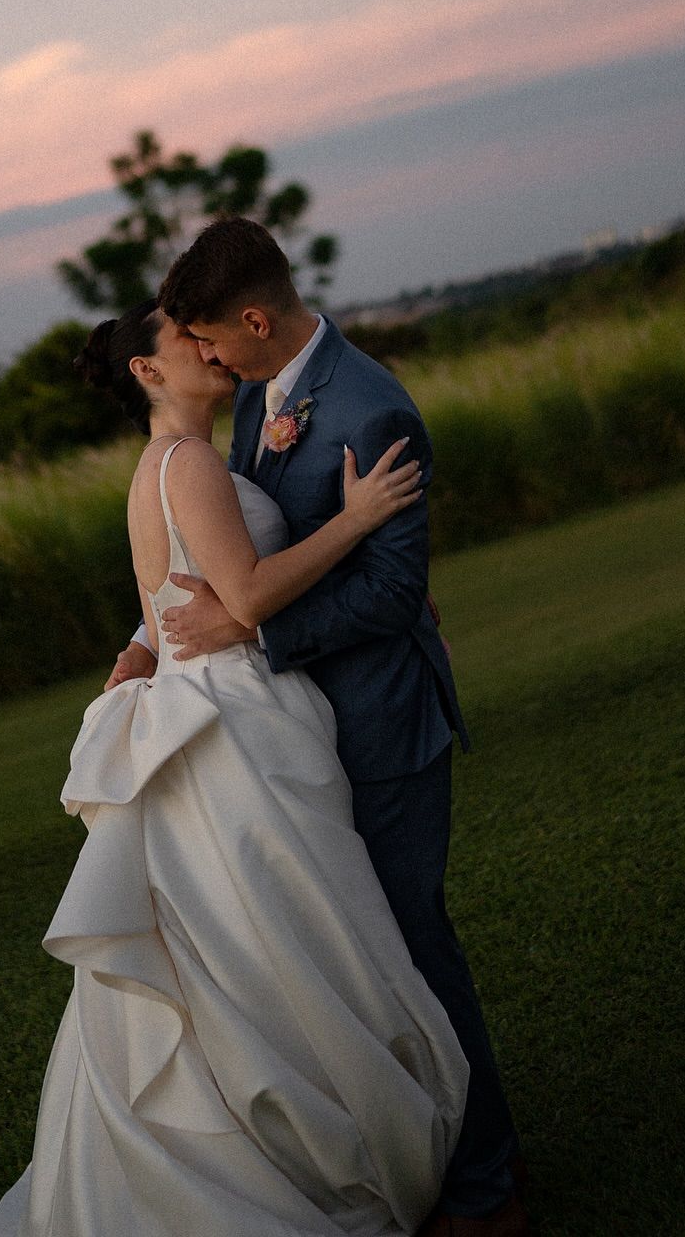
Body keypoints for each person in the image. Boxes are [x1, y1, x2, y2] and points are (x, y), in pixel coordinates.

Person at [0, 292, 471, 1237]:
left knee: (264, 948)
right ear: (148, 373)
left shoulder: (173, 461)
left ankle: (287, 1133)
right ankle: (310, 1156)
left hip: (213, 703)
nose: (205, 345)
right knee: (291, 940)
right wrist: (359, 518)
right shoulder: (190, 459)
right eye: (182, 338)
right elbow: (243, 597)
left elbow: (174, 600)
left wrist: (148, 646)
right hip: (235, 716)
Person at [142, 216, 526, 1237]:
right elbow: (234, 546)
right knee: (357, 968)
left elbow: (397, 594)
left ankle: (489, 1195)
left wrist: (251, 633)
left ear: (255, 320)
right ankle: (412, 1156)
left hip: (385, 728)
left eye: (212, 340)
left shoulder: (370, 405)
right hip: (304, 737)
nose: (207, 360)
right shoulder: (261, 400)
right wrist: (157, 642)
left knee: (416, 959)